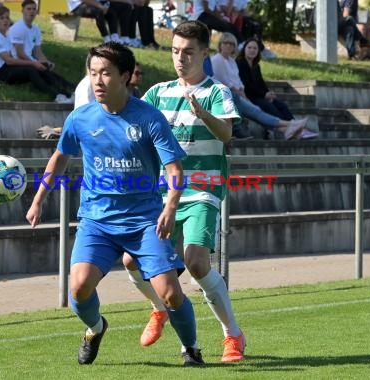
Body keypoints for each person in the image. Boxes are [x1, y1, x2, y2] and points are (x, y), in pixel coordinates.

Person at [26, 42, 205, 366]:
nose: (97, 80)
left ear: (125, 76)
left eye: (105, 73)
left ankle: (190, 348)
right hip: (97, 221)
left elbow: (174, 169)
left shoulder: (149, 118)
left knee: (169, 293)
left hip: (144, 221)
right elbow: (60, 157)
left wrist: (170, 208)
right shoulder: (80, 119)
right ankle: (96, 327)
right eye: (93, 73)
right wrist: (39, 198)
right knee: (79, 287)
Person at [121, 20, 246, 363]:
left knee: (195, 262)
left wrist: (203, 114)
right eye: (175, 51)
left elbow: (226, 136)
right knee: (130, 259)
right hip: (160, 195)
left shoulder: (217, 92)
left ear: (205, 54)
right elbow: (129, 125)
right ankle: (159, 307)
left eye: (189, 52)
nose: (181, 58)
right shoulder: (158, 92)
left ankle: (232, 335)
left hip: (202, 190)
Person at [211, 33, 313, 140]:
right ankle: (290, 125)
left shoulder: (232, 62)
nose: (228, 46)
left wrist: (266, 93)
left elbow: (240, 84)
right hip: (227, 98)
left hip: (239, 97)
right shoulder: (219, 60)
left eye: (231, 44)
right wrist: (252, 97)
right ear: (220, 45)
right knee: (259, 109)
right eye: (225, 43)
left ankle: (289, 128)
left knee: (277, 104)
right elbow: (228, 84)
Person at [0, 6, 74, 103]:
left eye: (7, 18)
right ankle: (57, 97)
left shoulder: (6, 34)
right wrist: (32, 63)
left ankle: (70, 92)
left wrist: (37, 62)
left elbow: (13, 56)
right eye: (2, 18)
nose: (5, 21)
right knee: (31, 69)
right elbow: (8, 60)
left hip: (7, 66)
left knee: (43, 66)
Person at [236, 37, 308, 139]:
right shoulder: (239, 63)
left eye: (255, 48)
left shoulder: (256, 66)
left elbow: (261, 83)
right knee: (269, 106)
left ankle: (297, 128)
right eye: (249, 47)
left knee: (280, 104)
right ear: (244, 49)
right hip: (248, 97)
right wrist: (264, 95)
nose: (252, 50)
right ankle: (289, 129)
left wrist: (269, 93)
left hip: (259, 96)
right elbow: (246, 85)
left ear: (258, 51)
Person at [9, 0, 75, 103]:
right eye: (28, 9)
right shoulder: (18, 28)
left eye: (34, 9)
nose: (31, 12)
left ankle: (72, 91)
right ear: (22, 11)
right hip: (19, 63)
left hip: (30, 61)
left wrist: (47, 61)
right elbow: (19, 53)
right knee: (42, 70)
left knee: (47, 68)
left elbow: (37, 51)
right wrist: (35, 63)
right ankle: (63, 94)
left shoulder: (36, 29)